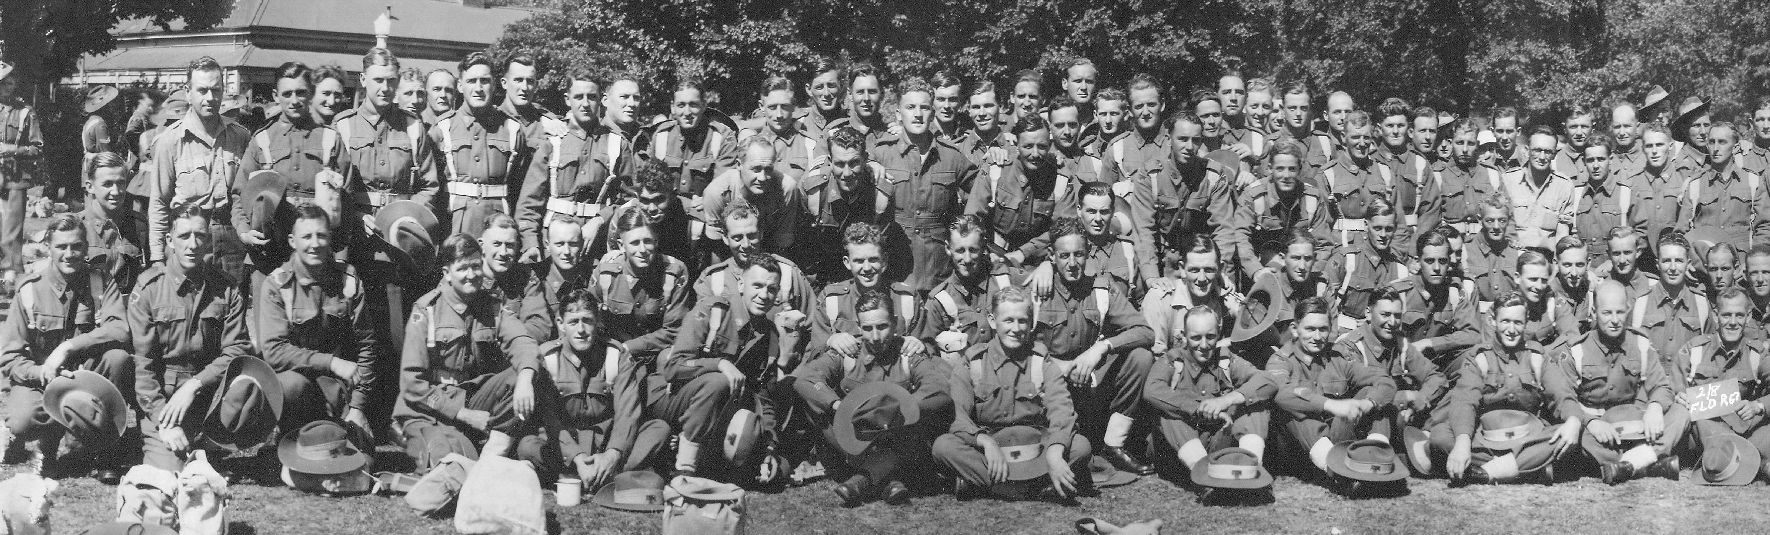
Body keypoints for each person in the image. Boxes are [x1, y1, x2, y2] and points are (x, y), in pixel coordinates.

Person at [0, 214, 133, 477]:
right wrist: (41, 372)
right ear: (48, 247)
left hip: (86, 376)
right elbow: (9, 357)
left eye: (76, 246)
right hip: (42, 381)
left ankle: (99, 446)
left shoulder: (100, 282)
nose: (69, 254)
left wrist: (68, 346)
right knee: (21, 421)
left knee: (118, 358)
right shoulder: (29, 290)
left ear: (86, 247)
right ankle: (44, 443)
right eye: (61, 246)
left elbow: (120, 328)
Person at [793, 288, 952, 505]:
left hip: (897, 434)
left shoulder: (907, 354)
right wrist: (839, 406)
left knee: (925, 417)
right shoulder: (848, 353)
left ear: (895, 323)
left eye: (882, 326)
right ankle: (891, 480)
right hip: (856, 438)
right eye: (867, 328)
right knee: (815, 405)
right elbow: (806, 379)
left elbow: (938, 388)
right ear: (859, 327)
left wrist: (896, 409)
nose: (875, 336)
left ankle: (862, 480)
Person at [934, 287, 1093, 501]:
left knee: (1081, 446)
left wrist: (1055, 451)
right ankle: (1037, 488)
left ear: (1031, 323)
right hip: (991, 455)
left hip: (1036, 452)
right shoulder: (974, 362)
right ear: (993, 321)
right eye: (1008, 320)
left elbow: (1062, 409)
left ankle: (991, 486)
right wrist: (986, 442)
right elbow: (958, 416)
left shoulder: (1040, 360)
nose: (1016, 329)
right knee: (943, 446)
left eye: (1022, 321)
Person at [395, 233, 540, 468]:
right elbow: (412, 383)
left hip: (472, 398)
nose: (471, 275)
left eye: (476, 266)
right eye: (463, 268)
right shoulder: (426, 310)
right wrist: (463, 414)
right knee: (450, 461)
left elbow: (522, 341)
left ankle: (493, 453)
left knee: (523, 373)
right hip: (428, 408)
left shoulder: (491, 306)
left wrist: (525, 378)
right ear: (447, 273)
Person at [662, 254, 810, 482]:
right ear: (741, 284)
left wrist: (769, 446)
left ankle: (706, 458)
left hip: (715, 414)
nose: (764, 295)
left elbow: (764, 398)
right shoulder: (713, 311)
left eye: (771, 289)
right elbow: (673, 367)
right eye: (757, 286)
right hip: (675, 402)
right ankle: (685, 468)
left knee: (774, 469)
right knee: (719, 380)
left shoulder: (769, 335)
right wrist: (719, 364)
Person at [129, 205, 255, 471]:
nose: (193, 244)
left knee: (250, 384)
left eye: (200, 236)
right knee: (172, 470)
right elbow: (142, 364)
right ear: (169, 240)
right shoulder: (149, 289)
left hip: (208, 393)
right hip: (165, 398)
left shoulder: (225, 288)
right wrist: (162, 419)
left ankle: (211, 441)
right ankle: (171, 441)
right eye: (184, 236)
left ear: (208, 240)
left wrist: (194, 385)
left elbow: (237, 349)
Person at [1037, 218, 1156, 475]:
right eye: (1064, 255)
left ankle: (1114, 443)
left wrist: (1100, 348)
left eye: (1079, 254)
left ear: (1088, 252)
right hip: (1049, 386)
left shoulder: (1101, 287)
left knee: (1141, 357)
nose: (1072, 263)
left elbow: (1145, 332)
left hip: (1089, 381)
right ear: (1051, 256)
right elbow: (1022, 343)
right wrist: (1059, 366)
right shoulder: (1038, 289)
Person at [515, 288, 667, 489]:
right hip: (565, 449)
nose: (581, 330)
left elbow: (627, 413)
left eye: (587, 320)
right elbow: (551, 420)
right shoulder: (548, 358)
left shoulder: (616, 355)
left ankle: (584, 477)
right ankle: (604, 478)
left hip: (606, 445)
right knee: (527, 445)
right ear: (560, 324)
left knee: (658, 429)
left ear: (598, 321)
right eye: (573, 322)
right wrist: (577, 458)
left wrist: (612, 454)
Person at [257, 205, 379, 436]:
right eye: (307, 237)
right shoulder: (277, 285)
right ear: (292, 241)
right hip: (298, 387)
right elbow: (274, 351)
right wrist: (331, 362)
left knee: (358, 453)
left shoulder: (348, 280)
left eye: (321, 235)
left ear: (330, 238)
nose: (315, 244)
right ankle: (290, 434)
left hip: (339, 388)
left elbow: (367, 345)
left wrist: (358, 406)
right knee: (291, 385)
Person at [1431, 290, 1573, 484]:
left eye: (1518, 322)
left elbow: (1561, 393)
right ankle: (1530, 468)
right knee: (1440, 436)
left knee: (1568, 432)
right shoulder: (1480, 357)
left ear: (1526, 323)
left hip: (1529, 438)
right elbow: (1465, 401)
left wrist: (1573, 421)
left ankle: (1486, 472)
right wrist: (1463, 444)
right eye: (1505, 321)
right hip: (1485, 440)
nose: (1511, 329)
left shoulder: (1537, 356)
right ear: (1493, 321)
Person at [1551, 279, 1683, 485]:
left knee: (1680, 413)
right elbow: (1563, 399)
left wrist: (1655, 407)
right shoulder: (1576, 351)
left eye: (1620, 312)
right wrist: (1590, 422)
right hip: (1598, 433)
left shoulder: (1640, 344)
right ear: (1594, 313)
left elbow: (1662, 386)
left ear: (1628, 310)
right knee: (1574, 432)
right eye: (1607, 313)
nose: (1614, 320)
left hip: (1636, 425)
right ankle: (1649, 462)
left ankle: (1626, 465)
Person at [239, 62, 348, 295]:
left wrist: (340, 258)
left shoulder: (330, 140)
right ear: (275, 96)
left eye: (301, 92)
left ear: (311, 93)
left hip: (315, 254)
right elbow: (240, 194)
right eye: (287, 94)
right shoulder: (262, 140)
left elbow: (345, 201)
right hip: (270, 253)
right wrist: (244, 231)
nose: (294, 100)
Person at [1266, 297, 1398, 481]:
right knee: (1294, 408)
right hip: (1295, 449)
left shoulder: (1336, 359)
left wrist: (1369, 402)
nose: (1317, 337)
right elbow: (1280, 393)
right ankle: (1338, 473)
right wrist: (1330, 405)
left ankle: (1376, 455)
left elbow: (1385, 380)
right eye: (1310, 329)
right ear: (1295, 329)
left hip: (1335, 442)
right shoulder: (1280, 360)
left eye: (1323, 329)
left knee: (1371, 393)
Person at [147, 57, 252, 283]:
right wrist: (157, 257)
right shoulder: (170, 141)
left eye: (216, 90)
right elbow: (159, 202)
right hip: (190, 241)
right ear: (188, 92)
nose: (210, 98)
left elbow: (247, 195)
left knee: (234, 300)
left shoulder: (240, 136)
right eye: (202, 90)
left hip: (232, 240)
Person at [871, 78, 978, 293]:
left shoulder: (951, 156)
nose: (918, 114)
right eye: (910, 107)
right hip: (895, 266)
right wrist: (870, 165)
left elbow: (981, 193)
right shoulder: (882, 154)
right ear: (898, 114)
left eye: (924, 107)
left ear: (932, 112)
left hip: (938, 270)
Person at [1143, 305, 1275, 477]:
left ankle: (1250, 468)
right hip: (1179, 449)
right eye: (1196, 338)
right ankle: (1203, 473)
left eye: (1210, 337)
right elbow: (1152, 390)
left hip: (1216, 442)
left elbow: (1267, 380)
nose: (1204, 345)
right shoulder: (1172, 360)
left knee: (1255, 401)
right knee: (1167, 412)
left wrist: (1225, 400)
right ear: (1184, 336)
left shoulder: (1225, 359)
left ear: (1219, 334)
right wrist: (1198, 408)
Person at [1336, 286, 1447, 478]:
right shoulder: (1351, 346)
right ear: (1368, 313)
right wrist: (1405, 397)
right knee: (1378, 401)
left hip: (1391, 422)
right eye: (1385, 314)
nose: (1392, 322)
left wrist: (1421, 398)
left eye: (1397, 315)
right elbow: (1357, 398)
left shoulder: (1400, 344)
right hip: (1353, 427)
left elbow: (1436, 377)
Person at [1674, 288, 1770, 484]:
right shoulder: (1695, 350)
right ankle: (1757, 464)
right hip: (1703, 434)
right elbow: (1671, 389)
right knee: (1698, 423)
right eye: (1726, 315)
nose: (1733, 322)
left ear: (1748, 317)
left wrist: (1758, 405)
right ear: (1716, 315)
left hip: (1745, 430)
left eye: (1739, 315)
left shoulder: (1756, 354)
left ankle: (1737, 461)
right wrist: (1678, 397)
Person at [964, 114, 1076, 280]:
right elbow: (972, 218)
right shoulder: (996, 169)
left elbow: (1066, 229)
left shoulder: (1060, 179)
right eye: (1028, 146)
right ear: (1016, 144)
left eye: (1042, 146)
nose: (1035, 154)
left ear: (1050, 145)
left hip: (1039, 263)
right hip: (992, 257)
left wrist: (1025, 252)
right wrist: (986, 253)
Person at [432, 51, 529, 238]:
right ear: (460, 86)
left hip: (498, 229)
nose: (478, 88)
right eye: (471, 81)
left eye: (484, 81)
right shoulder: (442, 129)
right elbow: (431, 187)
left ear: (494, 85)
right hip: (454, 226)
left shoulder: (512, 129)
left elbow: (521, 189)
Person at [518, 70, 612, 262]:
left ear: (601, 99)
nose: (585, 104)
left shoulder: (615, 144)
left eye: (591, 97)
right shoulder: (552, 143)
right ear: (567, 99)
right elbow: (529, 202)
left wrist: (599, 219)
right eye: (578, 97)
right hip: (553, 244)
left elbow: (629, 200)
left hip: (596, 246)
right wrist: (531, 243)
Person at [809, 222, 928, 358]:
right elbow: (814, 354)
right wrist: (830, 341)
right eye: (859, 261)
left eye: (873, 260)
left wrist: (919, 345)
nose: (866, 268)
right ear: (847, 263)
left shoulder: (907, 299)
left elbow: (930, 347)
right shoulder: (832, 300)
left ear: (884, 261)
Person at [587, 209, 691, 363]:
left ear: (656, 242)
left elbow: (674, 330)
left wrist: (628, 347)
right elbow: (590, 320)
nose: (642, 250)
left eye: (648, 241)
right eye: (634, 243)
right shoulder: (605, 273)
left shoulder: (675, 272)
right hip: (613, 354)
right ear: (622, 246)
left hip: (657, 355)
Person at [798, 126, 892, 287]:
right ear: (830, 161)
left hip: (864, 273)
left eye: (854, 163)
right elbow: (804, 246)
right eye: (840, 164)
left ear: (865, 159)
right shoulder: (813, 190)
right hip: (823, 274)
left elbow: (880, 250)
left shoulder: (880, 193)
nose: (847, 173)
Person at [1229, 142, 1329, 283]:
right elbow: (1241, 237)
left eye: (1292, 169)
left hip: (1302, 272)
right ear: (1270, 168)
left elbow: (1323, 244)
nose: (1286, 175)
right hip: (1262, 270)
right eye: (1280, 169)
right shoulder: (1254, 196)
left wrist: (1311, 274)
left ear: (1300, 169)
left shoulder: (1312, 198)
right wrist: (1256, 270)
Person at [651, 79, 741, 222]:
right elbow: (651, 184)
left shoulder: (722, 137)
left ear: (704, 105)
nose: (687, 112)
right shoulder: (661, 135)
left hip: (705, 216)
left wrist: (706, 201)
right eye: (681, 105)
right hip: (665, 216)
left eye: (693, 105)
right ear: (673, 108)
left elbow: (723, 191)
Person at [701, 137, 805, 256]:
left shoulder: (786, 188)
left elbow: (783, 243)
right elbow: (716, 247)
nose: (762, 178)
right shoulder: (717, 192)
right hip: (732, 253)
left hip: (770, 251)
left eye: (768, 169)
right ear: (739, 165)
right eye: (756, 169)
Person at [1323, 196, 1411, 330]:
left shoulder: (1399, 270)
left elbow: (1402, 315)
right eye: (1377, 228)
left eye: (1388, 229)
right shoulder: (1346, 259)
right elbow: (1325, 308)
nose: (1383, 235)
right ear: (1365, 225)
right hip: (1345, 332)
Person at [1631, 231, 1713, 366]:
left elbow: (1709, 352)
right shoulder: (1641, 302)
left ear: (1688, 263)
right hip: (1651, 378)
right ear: (1657, 264)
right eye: (1666, 261)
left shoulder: (1701, 303)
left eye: (1679, 261)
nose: (1673, 268)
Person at [1684, 122, 1770, 250]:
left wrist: (1753, 257)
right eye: (1711, 142)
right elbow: (1682, 230)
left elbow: (1765, 226)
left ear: (1735, 147)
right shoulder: (1695, 185)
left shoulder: (1753, 182)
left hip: (1743, 259)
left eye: (1722, 142)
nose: (1715, 148)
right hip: (1704, 259)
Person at [78, 153, 145, 294]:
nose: (116, 191)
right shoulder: (77, 227)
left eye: (121, 183)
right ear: (90, 187)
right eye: (107, 184)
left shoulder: (139, 225)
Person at [1503, 127, 1577, 251]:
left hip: (1547, 258)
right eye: (1537, 150)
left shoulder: (1564, 186)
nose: (1542, 157)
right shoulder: (1508, 181)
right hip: (1513, 255)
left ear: (1554, 154)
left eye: (1548, 152)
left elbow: (1562, 236)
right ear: (1527, 151)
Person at [519, 217, 589, 342]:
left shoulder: (590, 275)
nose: (566, 251)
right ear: (547, 245)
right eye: (559, 244)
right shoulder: (530, 278)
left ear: (582, 244)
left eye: (573, 244)